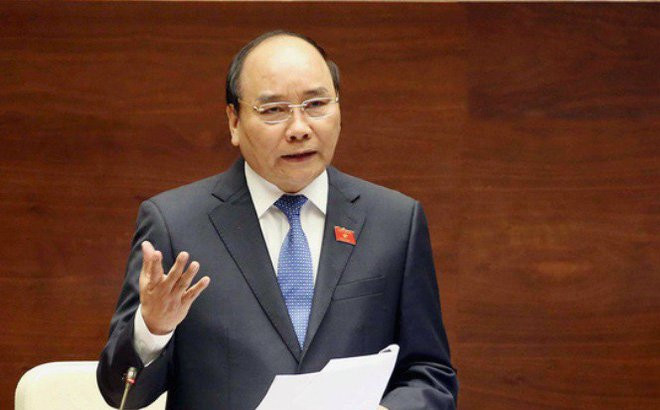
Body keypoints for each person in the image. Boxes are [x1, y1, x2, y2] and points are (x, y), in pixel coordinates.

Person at [97, 30, 458, 410]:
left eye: (316, 104)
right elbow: (120, 394)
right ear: (234, 121)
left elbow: (430, 374)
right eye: (273, 110)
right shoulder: (176, 224)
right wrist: (153, 329)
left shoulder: (395, 222)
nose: (300, 128)